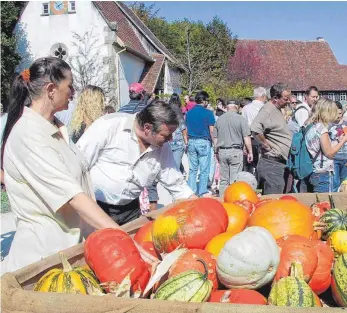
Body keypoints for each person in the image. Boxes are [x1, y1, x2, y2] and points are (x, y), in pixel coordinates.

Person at [1, 57, 122, 272]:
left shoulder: (58, 128)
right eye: (70, 85)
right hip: (45, 259)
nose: (74, 92)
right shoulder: (28, 134)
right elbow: (72, 195)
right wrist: (120, 237)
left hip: (71, 252)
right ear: (50, 89)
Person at [77, 100, 195, 225]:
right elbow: (78, 165)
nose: (170, 140)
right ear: (147, 128)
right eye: (166, 135)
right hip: (95, 208)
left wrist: (199, 207)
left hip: (130, 211)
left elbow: (177, 184)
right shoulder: (109, 126)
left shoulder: (162, 148)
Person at [251, 83, 292, 195]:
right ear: (275, 98)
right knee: (273, 202)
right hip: (272, 164)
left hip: (276, 164)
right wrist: (265, 144)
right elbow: (255, 128)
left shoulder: (276, 109)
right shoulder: (267, 110)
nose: (288, 101)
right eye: (285, 98)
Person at [305, 98, 347, 193]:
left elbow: (321, 147)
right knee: (325, 204)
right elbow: (329, 153)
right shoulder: (322, 129)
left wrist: (337, 140)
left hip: (314, 170)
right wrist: (343, 141)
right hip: (324, 172)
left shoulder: (311, 126)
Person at [214, 101, 253, 196]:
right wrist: (250, 152)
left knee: (223, 180)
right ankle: (232, 202)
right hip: (235, 151)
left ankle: (223, 201)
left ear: (227, 107)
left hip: (222, 151)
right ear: (237, 106)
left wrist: (216, 152)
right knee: (234, 180)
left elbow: (215, 138)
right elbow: (246, 138)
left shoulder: (219, 120)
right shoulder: (241, 119)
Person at [185, 91, 215, 197]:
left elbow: (186, 128)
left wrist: (186, 142)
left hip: (191, 141)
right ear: (204, 101)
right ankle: (202, 191)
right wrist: (215, 143)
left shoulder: (188, 113)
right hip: (203, 141)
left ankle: (191, 191)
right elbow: (212, 131)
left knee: (192, 169)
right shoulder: (208, 113)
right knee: (204, 168)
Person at [328, 101, 347, 192]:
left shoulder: (346, 124)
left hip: (345, 157)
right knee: (334, 184)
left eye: (340, 113)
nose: (338, 116)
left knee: (344, 183)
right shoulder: (329, 125)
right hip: (334, 158)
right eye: (336, 113)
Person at [168, 93, 188, 171]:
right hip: (178, 142)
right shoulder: (179, 112)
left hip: (168, 142)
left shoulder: (167, 113)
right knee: (176, 165)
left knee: (170, 165)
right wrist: (186, 143)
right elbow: (183, 130)